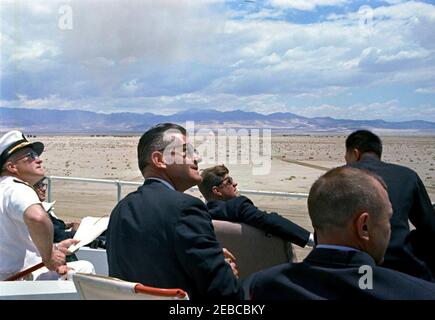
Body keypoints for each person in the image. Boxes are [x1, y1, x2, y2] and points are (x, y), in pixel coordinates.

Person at [249, 166, 435, 299]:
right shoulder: (419, 293)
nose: (389, 228)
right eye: (387, 219)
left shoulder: (262, 285)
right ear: (364, 227)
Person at [106, 123, 243, 300]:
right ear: (159, 160)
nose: (198, 158)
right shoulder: (186, 208)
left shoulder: (121, 208)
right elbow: (225, 293)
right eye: (186, 151)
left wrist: (209, 257)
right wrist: (225, 270)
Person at [0, 130, 94, 281]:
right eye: (30, 156)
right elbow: (37, 218)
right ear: (12, 167)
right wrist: (49, 256)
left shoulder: (4, 189)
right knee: (85, 270)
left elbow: (16, 242)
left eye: (36, 155)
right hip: (20, 281)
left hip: (9, 280)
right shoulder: (17, 188)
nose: (39, 160)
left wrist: (55, 247)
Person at [345, 129, 435, 281]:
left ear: (355, 153)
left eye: (346, 156)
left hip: (348, 266)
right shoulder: (407, 176)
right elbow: (430, 226)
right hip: (401, 267)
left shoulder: (336, 179)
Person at [198, 165, 314, 248]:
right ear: (217, 190)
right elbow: (269, 220)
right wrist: (311, 239)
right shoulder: (238, 207)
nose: (235, 183)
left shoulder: (201, 214)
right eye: (229, 181)